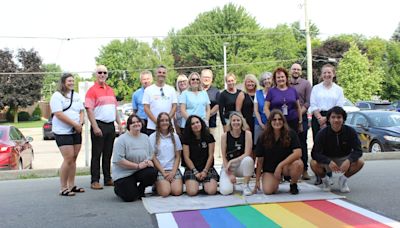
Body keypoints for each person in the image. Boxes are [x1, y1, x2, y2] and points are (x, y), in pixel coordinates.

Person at [310, 106, 364, 193]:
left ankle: (343, 180)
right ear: (328, 119)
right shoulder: (322, 133)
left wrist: (349, 161)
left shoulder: (351, 132)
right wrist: (328, 161)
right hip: (328, 159)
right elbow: (315, 153)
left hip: (344, 159)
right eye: (333, 117)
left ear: (343, 119)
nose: (336, 120)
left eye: (339, 117)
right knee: (313, 163)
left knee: (360, 161)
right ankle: (325, 181)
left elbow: (358, 151)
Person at [85, 65, 122, 190]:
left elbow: (114, 108)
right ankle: (94, 180)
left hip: (110, 126)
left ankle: (107, 178)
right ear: (96, 74)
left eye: (104, 72)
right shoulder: (92, 90)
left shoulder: (110, 90)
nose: (102, 74)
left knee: (108, 153)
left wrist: (119, 124)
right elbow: (89, 110)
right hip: (99, 125)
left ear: (107, 74)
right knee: (97, 154)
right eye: (99, 72)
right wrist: (95, 127)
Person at [309, 64, 345, 184]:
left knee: (329, 147)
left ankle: (329, 174)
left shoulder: (338, 90)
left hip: (333, 119)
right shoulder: (316, 88)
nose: (327, 75)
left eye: (329, 72)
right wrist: (320, 118)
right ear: (321, 74)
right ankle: (319, 174)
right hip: (317, 118)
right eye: (324, 73)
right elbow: (313, 104)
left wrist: (328, 118)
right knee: (318, 146)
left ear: (333, 74)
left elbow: (339, 106)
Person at [50, 73, 85, 196]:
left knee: (74, 158)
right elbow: (58, 114)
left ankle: (71, 185)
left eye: (73, 80)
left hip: (76, 131)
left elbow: (81, 111)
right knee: (68, 158)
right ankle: (63, 187)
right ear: (63, 82)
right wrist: (74, 125)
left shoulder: (76, 96)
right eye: (69, 81)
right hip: (62, 132)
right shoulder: (57, 96)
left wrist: (80, 123)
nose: (71, 83)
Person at [254, 109, 303, 195]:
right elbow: (260, 161)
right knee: (268, 191)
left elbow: (298, 153)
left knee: (298, 164)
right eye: (274, 119)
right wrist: (257, 180)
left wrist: (280, 166)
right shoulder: (262, 137)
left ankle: (293, 184)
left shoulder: (291, 133)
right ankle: (276, 181)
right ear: (270, 122)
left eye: (280, 119)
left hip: (286, 167)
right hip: (270, 169)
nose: (277, 122)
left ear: (283, 121)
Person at [112, 114, 157, 202]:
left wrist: (148, 162)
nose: (136, 124)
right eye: (133, 123)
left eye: (138, 122)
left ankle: (141, 189)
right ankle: (118, 189)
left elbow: (150, 154)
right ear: (129, 126)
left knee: (152, 172)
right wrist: (137, 166)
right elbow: (118, 160)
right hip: (124, 174)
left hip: (139, 171)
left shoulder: (145, 137)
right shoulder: (122, 139)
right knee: (130, 198)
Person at [181, 115, 219, 196]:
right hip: (192, 168)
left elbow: (210, 156)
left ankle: (206, 185)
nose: (196, 125)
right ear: (189, 127)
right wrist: (195, 172)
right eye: (193, 124)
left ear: (201, 123)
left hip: (207, 168)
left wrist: (205, 171)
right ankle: (195, 183)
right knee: (192, 192)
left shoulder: (209, 137)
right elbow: (186, 158)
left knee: (211, 191)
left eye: (197, 122)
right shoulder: (186, 138)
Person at [219, 112, 254, 196]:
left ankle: (245, 185)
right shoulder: (224, 136)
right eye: (233, 120)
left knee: (248, 160)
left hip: (242, 165)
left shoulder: (247, 134)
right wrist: (229, 174)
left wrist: (233, 161)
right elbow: (224, 157)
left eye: (238, 120)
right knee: (226, 191)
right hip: (229, 167)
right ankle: (230, 184)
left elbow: (247, 153)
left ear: (242, 121)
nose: (236, 122)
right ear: (230, 122)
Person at [150, 112, 183, 197]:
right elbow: (153, 157)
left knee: (177, 191)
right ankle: (157, 185)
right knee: (165, 192)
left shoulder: (175, 137)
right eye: (162, 121)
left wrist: (173, 172)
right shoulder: (152, 137)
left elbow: (178, 156)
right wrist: (163, 173)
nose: (164, 122)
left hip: (173, 169)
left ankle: (168, 183)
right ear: (158, 123)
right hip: (160, 170)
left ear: (169, 122)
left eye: (166, 120)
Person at [289, 63, 312, 180]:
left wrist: (299, 114)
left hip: (301, 117)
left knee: (302, 143)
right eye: (294, 69)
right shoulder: (285, 83)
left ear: (301, 72)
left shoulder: (306, 84)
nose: (296, 71)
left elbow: (308, 102)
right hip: (287, 118)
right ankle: (289, 170)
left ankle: (304, 170)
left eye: (298, 69)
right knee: (288, 144)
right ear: (290, 70)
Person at [264, 67, 302, 133]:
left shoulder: (293, 90)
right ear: (275, 79)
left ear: (286, 78)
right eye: (278, 77)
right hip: (277, 123)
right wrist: (271, 119)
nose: (280, 79)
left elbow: (298, 107)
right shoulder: (271, 91)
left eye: (282, 77)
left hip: (292, 122)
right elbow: (266, 108)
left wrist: (300, 121)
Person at [143, 65, 178, 135]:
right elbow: (146, 108)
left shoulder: (171, 89)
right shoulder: (148, 90)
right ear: (155, 74)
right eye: (159, 72)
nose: (161, 74)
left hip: (168, 126)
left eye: (163, 73)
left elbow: (174, 106)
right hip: (153, 127)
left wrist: (166, 121)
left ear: (166, 75)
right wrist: (157, 122)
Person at [200, 69, 221, 155]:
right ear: (200, 78)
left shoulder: (216, 91)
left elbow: (218, 105)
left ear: (212, 79)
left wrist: (207, 115)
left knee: (211, 146)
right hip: (197, 123)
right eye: (204, 77)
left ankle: (211, 165)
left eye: (208, 77)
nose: (206, 79)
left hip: (211, 122)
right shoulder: (196, 90)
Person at [236, 74, 257, 144]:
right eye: (248, 82)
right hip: (246, 122)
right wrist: (244, 123)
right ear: (245, 83)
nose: (250, 84)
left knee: (256, 143)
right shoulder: (242, 94)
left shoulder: (258, 93)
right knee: (248, 143)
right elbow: (238, 111)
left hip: (257, 122)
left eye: (252, 82)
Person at [132, 70, 153, 134]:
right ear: (141, 81)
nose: (146, 81)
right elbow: (135, 111)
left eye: (148, 79)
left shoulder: (157, 92)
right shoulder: (136, 94)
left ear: (151, 79)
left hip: (154, 121)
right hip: (142, 122)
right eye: (144, 79)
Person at [254, 72, 272, 145]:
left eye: (268, 79)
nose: (267, 81)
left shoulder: (275, 92)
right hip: (259, 123)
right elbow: (256, 110)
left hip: (273, 123)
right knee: (259, 144)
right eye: (265, 79)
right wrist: (261, 123)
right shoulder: (258, 93)